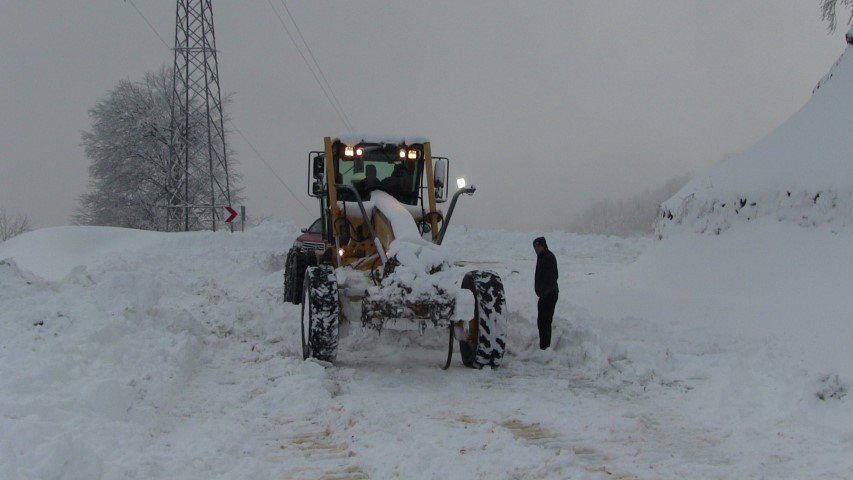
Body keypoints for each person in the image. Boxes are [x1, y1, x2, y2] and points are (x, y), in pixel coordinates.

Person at [533, 236, 559, 350]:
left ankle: (545, 347)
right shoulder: (541, 257)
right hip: (544, 295)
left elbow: (554, 277)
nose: (536, 248)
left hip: (550, 295)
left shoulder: (549, 257)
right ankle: (543, 346)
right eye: (535, 246)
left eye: (538, 246)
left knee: (545, 321)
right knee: (541, 321)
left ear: (544, 245)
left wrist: (545, 292)